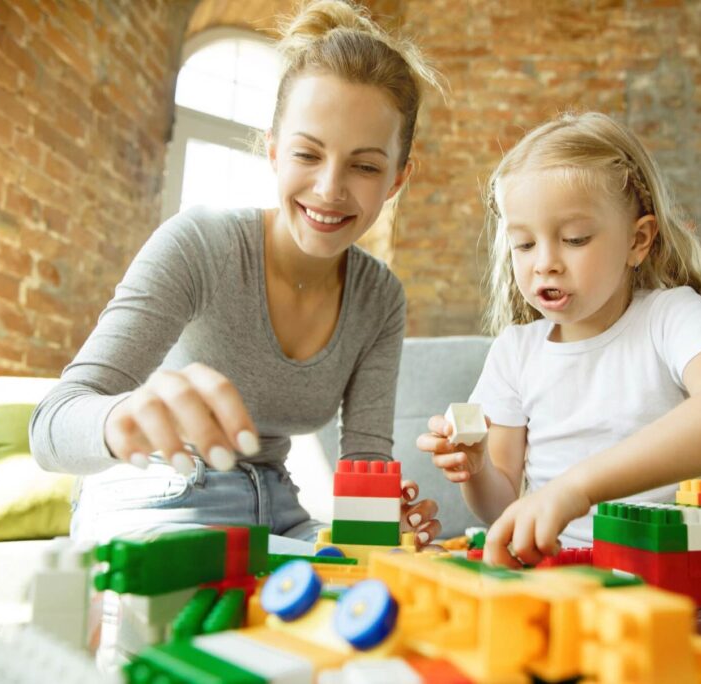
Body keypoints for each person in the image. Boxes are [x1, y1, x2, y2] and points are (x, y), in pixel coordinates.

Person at [31, 0, 443, 552]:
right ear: (273, 151)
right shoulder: (200, 245)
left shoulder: (380, 296)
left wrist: (380, 523)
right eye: (307, 154)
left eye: (365, 166)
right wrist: (124, 415)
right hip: (160, 491)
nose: (329, 188)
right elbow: (50, 428)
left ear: (396, 179)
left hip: (276, 507)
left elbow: (365, 461)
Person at [417, 111, 701, 568]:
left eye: (574, 238)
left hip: (664, 571)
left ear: (637, 240)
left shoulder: (670, 316)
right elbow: (502, 507)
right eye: (524, 244)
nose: (545, 263)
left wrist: (577, 487)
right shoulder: (516, 351)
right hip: (559, 573)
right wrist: (478, 468)